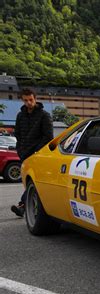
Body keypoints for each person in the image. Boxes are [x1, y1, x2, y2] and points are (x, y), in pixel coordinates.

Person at [11, 88, 53, 217]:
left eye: (31, 100)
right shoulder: (20, 115)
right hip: (24, 154)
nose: (28, 102)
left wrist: (36, 151)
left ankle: (23, 206)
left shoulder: (44, 115)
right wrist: (20, 149)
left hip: (37, 154)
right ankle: (25, 206)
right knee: (30, 182)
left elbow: (48, 137)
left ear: (35, 98)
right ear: (22, 100)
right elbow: (17, 133)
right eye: (25, 100)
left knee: (33, 181)